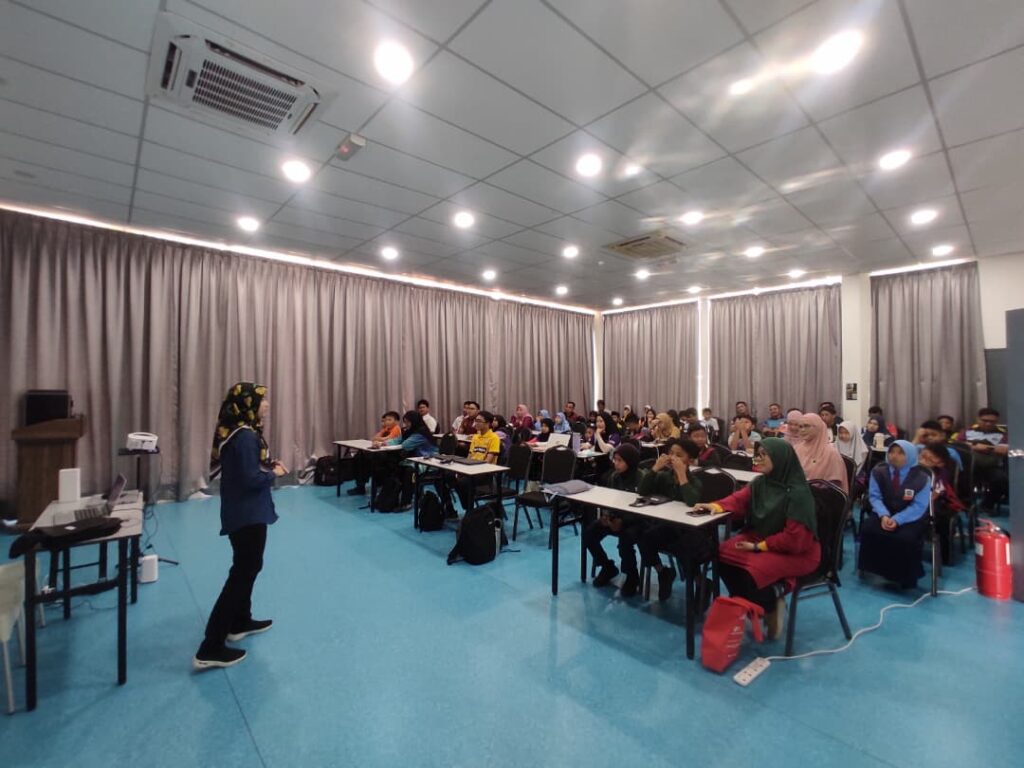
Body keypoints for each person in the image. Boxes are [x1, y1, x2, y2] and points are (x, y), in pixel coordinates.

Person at [194, 382, 287, 669]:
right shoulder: (245, 437)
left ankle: (240, 621)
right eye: (262, 400)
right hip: (247, 513)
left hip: (243, 511)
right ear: (247, 404)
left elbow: (245, 470)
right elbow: (250, 479)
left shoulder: (241, 433)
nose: (266, 404)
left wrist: (267, 467)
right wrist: (274, 473)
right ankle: (211, 646)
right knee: (243, 572)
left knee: (249, 566)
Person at [691, 439, 820, 640]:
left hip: (796, 551)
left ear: (780, 459)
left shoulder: (798, 494)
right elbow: (738, 500)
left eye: (764, 455)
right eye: (757, 454)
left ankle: (770, 604)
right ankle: (758, 602)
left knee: (751, 570)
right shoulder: (761, 482)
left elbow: (796, 539)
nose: (758, 459)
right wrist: (715, 506)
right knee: (721, 555)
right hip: (762, 538)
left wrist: (758, 547)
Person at [636, 438, 705, 600]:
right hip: (666, 526)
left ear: (690, 460)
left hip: (689, 529)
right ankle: (663, 572)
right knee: (642, 536)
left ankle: (701, 582)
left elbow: (692, 501)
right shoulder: (663, 477)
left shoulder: (695, 481)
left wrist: (681, 474)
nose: (673, 458)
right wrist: (655, 468)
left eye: (679, 455)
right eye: (671, 453)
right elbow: (642, 491)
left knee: (683, 546)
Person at [858, 440, 931, 588]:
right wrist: (884, 515)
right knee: (868, 529)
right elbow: (875, 497)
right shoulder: (878, 472)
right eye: (891, 452)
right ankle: (874, 569)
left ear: (910, 455)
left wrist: (898, 519)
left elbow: (919, 506)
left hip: (910, 516)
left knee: (905, 538)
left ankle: (904, 577)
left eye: (900, 453)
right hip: (883, 512)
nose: (894, 456)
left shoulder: (922, 478)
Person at [585, 444, 648, 595]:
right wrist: (607, 517)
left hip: (638, 520)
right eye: (615, 460)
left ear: (630, 462)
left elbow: (644, 508)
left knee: (625, 540)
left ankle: (632, 576)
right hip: (617, 517)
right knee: (589, 533)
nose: (616, 464)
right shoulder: (614, 477)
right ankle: (607, 567)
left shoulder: (642, 478)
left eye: (620, 461)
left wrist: (622, 522)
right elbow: (610, 500)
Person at [918, 441, 967, 565]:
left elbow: (936, 493)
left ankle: (944, 555)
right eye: (922, 456)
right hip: (915, 502)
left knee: (941, 518)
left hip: (937, 503)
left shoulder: (942, 473)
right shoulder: (913, 468)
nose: (923, 460)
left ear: (940, 463)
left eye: (929, 459)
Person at [955, 408, 1009, 513]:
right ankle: (964, 503)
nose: (988, 424)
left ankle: (987, 505)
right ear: (978, 419)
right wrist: (975, 447)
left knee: (1001, 479)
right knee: (956, 476)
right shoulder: (967, 432)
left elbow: (1004, 450)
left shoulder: (1003, 434)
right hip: (968, 466)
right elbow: (956, 445)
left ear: (997, 421)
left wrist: (988, 448)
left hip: (990, 466)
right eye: (985, 420)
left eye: (992, 421)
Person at [453, 410, 501, 510]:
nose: (476, 423)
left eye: (479, 421)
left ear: (488, 423)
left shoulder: (494, 438)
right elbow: (470, 456)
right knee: (449, 476)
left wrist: (471, 470)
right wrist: (462, 469)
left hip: (485, 473)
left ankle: (469, 509)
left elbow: (488, 461)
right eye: (476, 420)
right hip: (471, 469)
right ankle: (466, 507)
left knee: (462, 483)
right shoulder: (475, 437)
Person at [348, 411, 402, 496]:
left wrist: (380, 439)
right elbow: (374, 438)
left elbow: (387, 439)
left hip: (390, 455)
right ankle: (360, 485)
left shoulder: (396, 429)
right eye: (386, 420)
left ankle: (365, 485)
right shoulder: (386, 429)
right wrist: (380, 439)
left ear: (396, 421)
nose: (387, 422)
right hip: (380, 452)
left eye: (389, 420)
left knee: (367, 460)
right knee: (359, 456)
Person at [792, 413, 849, 492]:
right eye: (800, 427)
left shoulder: (831, 453)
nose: (802, 430)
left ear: (817, 428)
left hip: (821, 496)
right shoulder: (797, 448)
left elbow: (834, 485)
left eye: (806, 426)